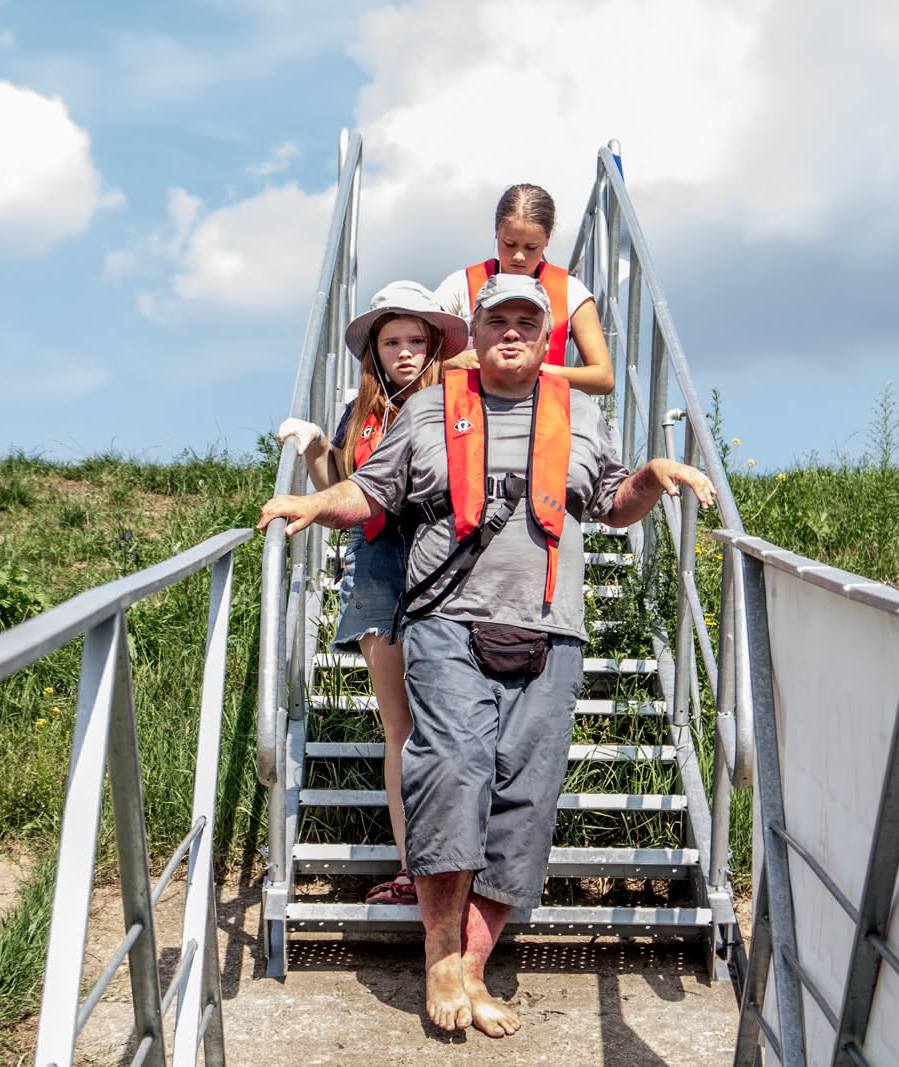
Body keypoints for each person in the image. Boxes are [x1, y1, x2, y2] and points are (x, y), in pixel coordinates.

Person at [259, 274, 715, 1038]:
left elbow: (609, 503)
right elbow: (369, 494)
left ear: (546, 339)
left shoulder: (581, 415)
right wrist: (312, 503)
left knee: (526, 795)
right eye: (496, 320)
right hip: (445, 622)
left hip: (551, 629)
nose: (511, 332)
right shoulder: (431, 409)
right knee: (450, 766)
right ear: (473, 332)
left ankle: (474, 964)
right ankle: (440, 954)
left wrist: (653, 479)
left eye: (526, 323)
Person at [275, 280, 468, 907]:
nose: (405, 352)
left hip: (450, 569)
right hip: (379, 568)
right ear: (375, 350)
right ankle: (415, 870)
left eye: (417, 339)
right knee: (401, 726)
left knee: (456, 727)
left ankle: (467, 872)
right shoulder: (361, 412)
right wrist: (313, 452)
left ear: (436, 344)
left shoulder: (459, 404)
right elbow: (341, 489)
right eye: (393, 341)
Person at [434, 182, 615, 395]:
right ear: (496, 232)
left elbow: (603, 378)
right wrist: (450, 364)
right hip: (469, 417)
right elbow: (414, 357)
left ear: (547, 240)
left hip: (546, 418)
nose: (519, 256)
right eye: (509, 244)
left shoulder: (572, 292)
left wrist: (535, 370)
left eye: (531, 247)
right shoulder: (458, 286)